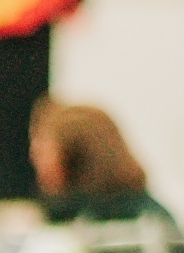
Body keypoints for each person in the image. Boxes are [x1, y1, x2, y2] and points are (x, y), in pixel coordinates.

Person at [29, 97, 181, 234]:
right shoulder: (154, 218)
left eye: (43, 152)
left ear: (73, 158)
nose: (34, 160)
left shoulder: (72, 228)